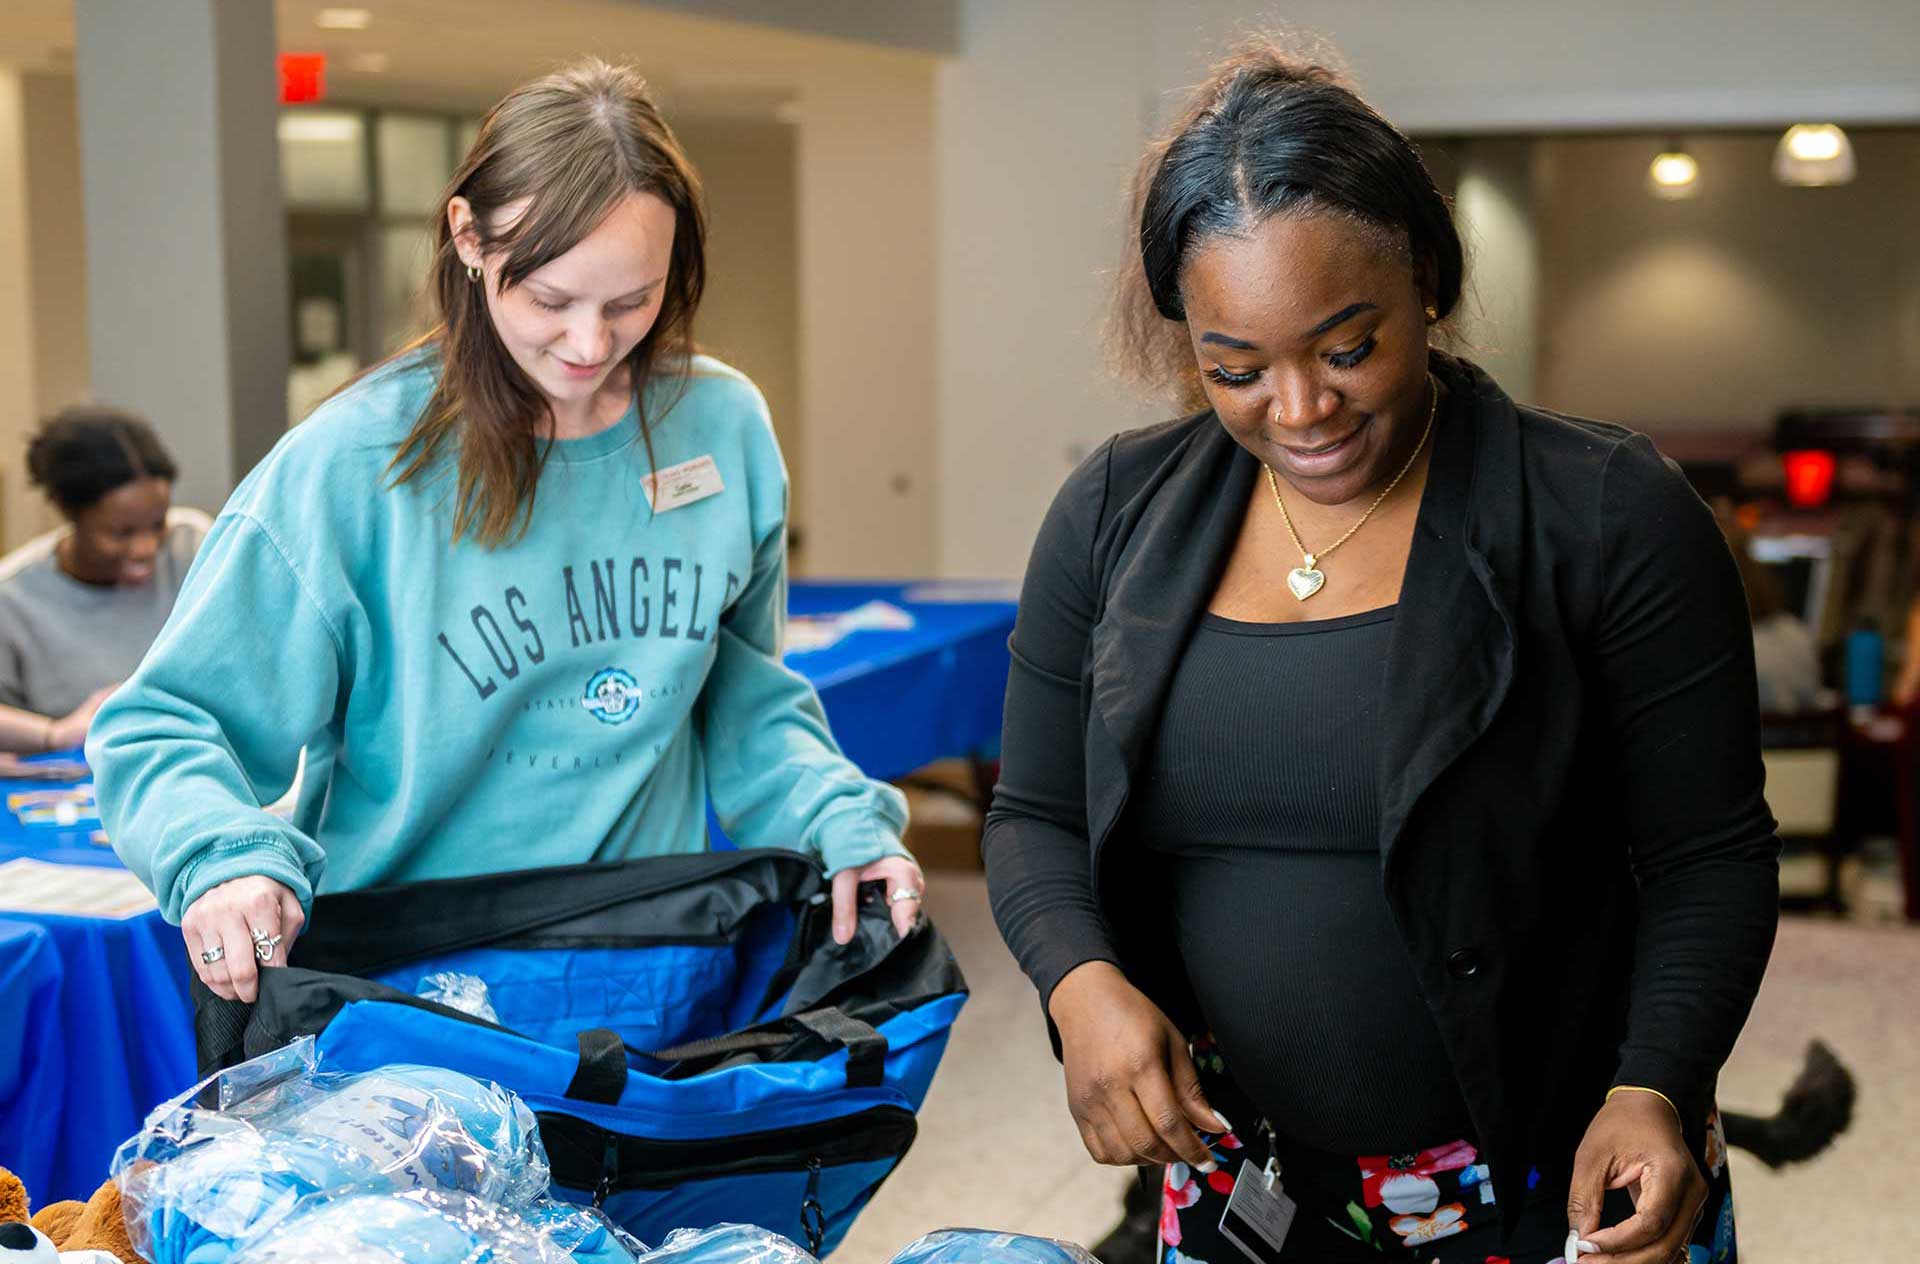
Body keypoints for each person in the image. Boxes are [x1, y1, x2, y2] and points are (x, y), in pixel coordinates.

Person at [983, 44, 1776, 1264]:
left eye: (1348, 348)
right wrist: (1078, 983)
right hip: (1242, 1191)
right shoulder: (1112, 515)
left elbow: (1708, 853)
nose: (1301, 409)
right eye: (1235, 369)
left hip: (1559, 1182)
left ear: (1428, 282)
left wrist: (1657, 1083)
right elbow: (1034, 813)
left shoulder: (1610, 513)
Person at [91, 59, 922, 1013]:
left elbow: (746, 700)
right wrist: (222, 854)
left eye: (631, 301)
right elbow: (164, 724)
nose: (590, 344)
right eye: (550, 301)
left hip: (648, 959)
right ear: (469, 238)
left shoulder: (722, 426)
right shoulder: (350, 465)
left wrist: (836, 818)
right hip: (415, 985)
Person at [0, 406, 206, 753]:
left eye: (158, 524)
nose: (146, 548)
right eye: (121, 533)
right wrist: (53, 733)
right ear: (70, 514)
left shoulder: (193, 548)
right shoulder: (13, 599)